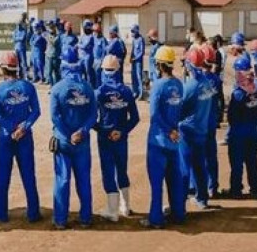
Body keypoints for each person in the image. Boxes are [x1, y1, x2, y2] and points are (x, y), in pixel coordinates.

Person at [0, 51, 42, 223]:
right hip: (25, 137)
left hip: (5, 137)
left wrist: (12, 128)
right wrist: (24, 127)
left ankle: (1, 213)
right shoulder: (28, 87)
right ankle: (33, 212)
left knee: (3, 176)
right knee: (28, 174)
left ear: (2, 69)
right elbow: (36, 111)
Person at [50, 46, 96, 230]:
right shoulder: (87, 88)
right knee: (84, 179)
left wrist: (68, 134)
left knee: (62, 180)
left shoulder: (57, 89)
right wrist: (81, 131)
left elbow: (55, 117)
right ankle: (86, 217)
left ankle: (61, 219)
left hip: (63, 141)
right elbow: (93, 115)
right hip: (82, 142)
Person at [140, 46, 185, 229]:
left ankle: (155, 218)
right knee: (174, 180)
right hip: (174, 141)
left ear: (158, 65)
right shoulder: (179, 84)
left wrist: (168, 130)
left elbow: (155, 115)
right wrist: (174, 131)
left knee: (157, 183)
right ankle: (178, 213)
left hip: (158, 141)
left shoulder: (158, 86)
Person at [95, 54, 140, 222]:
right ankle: (125, 206)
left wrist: (103, 130)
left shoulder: (99, 92)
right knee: (122, 169)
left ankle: (112, 210)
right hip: (121, 138)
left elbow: (92, 119)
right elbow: (135, 118)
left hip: (105, 138)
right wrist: (121, 131)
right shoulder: (126, 91)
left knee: (108, 171)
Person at [179, 47, 215, 210]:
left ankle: (180, 201)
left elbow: (179, 110)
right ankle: (202, 198)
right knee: (200, 165)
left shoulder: (190, 86)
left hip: (188, 131)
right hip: (202, 129)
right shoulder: (206, 82)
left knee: (184, 166)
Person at [224, 56, 257, 199]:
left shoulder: (238, 93)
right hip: (252, 130)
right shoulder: (255, 90)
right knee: (252, 161)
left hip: (238, 132)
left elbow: (232, 116)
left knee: (237, 163)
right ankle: (255, 188)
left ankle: (236, 190)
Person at [201, 44, 222, 199]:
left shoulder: (198, 81)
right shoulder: (216, 79)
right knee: (211, 156)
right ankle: (212, 187)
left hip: (199, 124)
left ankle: (199, 189)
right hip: (211, 122)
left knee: (197, 157)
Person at [78, 20, 96, 87]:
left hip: (88, 56)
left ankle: (90, 86)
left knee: (88, 72)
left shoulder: (91, 37)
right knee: (82, 72)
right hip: (82, 56)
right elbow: (79, 44)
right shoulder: (83, 36)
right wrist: (80, 45)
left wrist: (79, 45)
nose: (85, 29)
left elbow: (84, 46)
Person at [129, 25, 145, 99]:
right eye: (131, 31)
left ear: (136, 31)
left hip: (138, 62)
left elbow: (142, 52)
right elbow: (132, 50)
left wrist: (136, 58)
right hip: (133, 61)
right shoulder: (134, 40)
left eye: (133, 31)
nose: (132, 33)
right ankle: (135, 92)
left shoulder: (141, 39)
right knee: (133, 76)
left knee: (139, 77)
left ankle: (141, 94)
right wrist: (131, 57)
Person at [45, 22, 62, 86]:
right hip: (49, 56)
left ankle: (57, 85)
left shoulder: (58, 36)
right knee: (49, 72)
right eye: (50, 29)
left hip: (55, 56)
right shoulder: (48, 35)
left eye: (52, 28)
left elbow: (53, 43)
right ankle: (51, 86)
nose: (50, 30)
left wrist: (49, 37)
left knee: (56, 72)